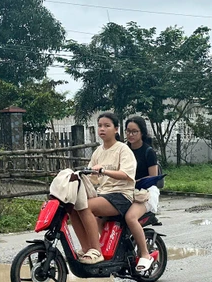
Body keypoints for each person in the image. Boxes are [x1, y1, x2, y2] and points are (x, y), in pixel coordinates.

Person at [68, 112, 137, 265]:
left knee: (85, 206)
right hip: (104, 195)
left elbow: (125, 174)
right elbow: (92, 178)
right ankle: (86, 248)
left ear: (116, 129)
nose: (102, 129)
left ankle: (96, 250)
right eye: (100, 126)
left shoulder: (123, 150)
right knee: (72, 208)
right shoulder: (98, 152)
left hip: (121, 196)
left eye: (107, 125)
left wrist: (103, 170)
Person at [124, 115, 160, 273]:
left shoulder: (148, 151)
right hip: (126, 191)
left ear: (141, 133)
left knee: (130, 217)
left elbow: (153, 178)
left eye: (134, 131)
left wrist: (135, 181)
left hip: (145, 192)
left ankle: (145, 254)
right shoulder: (124, 150)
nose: (131, 135)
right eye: (128, 131)